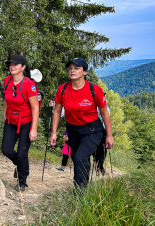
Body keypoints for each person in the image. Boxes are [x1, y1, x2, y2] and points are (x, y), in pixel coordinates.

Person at [49, 57, 114, 188]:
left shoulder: (94, 90)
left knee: (80, 158)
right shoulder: (62, 89)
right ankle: (83, 186)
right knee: (77, 159)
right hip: (73, 130)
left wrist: (109, 135)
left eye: (76, 68)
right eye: (70, 68)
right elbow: (57, 112)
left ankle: (80, 192)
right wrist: (54, 133)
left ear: (85, 72)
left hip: (92, 130)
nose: (72, 70)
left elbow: (104, 113)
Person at [1, 55, 40, 192]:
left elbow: (35, 107)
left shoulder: (29, 84)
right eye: (11, 64)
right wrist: (5, 114)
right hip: (11, 121)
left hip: (26, 123)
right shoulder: (7, 80)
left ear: (23, 67)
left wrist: (33, 129)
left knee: (22, 153)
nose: (12, 66)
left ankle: (22, 181)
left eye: (16, 64)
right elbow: (7, 97)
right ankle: (21, 166)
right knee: (6, 150)